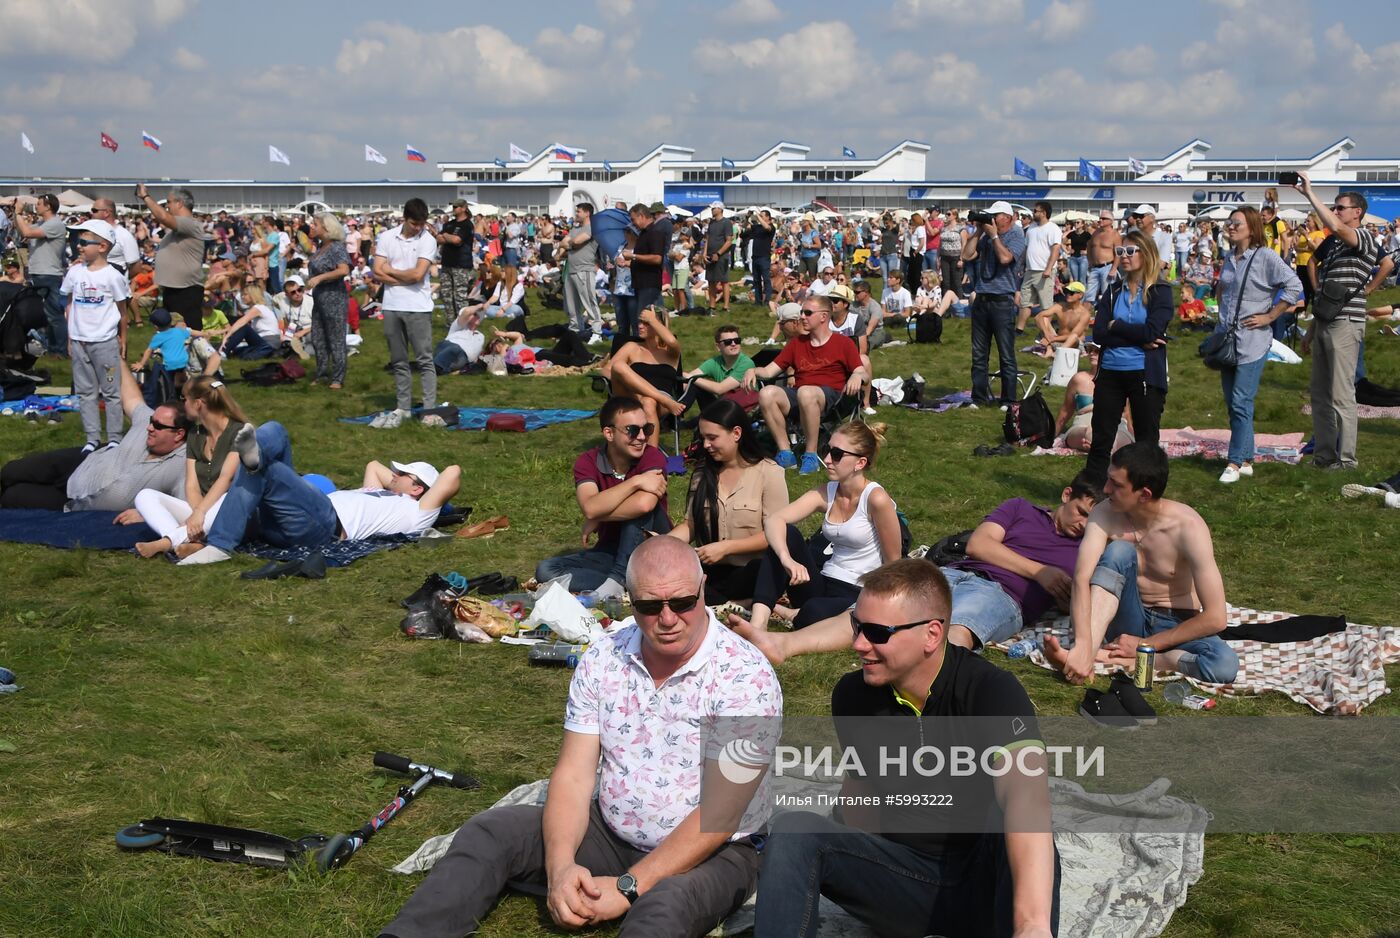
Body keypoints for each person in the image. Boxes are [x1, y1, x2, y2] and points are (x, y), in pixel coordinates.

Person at [380, 537, 780, 938]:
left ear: (703, 588)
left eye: (681, 602)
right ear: (630, 600)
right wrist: (561, 869)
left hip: (715, 851)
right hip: (609, 832)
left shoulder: (745, 676)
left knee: (665, 907)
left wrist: (628, 887)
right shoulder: (605, 658)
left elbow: (722, 814)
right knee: (491, 832)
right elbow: (574, 775)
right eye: (648, 606)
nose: (668, 618)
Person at [752, 557, 1060, 938]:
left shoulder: (990, 691)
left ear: (932, 634)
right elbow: (861, 791)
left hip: (987, 887)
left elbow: (1027, 798)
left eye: (878, 632)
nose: (858, 644)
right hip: (908, 882)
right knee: (794, 830)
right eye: (856, 626)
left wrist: (1031, 925)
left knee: (1016, 820)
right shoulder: (852, 696)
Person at [1045, 442, 1238, 686]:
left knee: (1224, 664)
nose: (1105, 490)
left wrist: (1146, 645)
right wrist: (1083, 643)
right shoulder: (1104, 513)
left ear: (1144, 494)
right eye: (1108, 480)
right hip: (1125, 618)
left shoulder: (1187, 526)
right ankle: (1087, 655)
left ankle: (1148, 660)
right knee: (1119, 551)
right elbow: (1082, 578)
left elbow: (1216, 617)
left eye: (1116, 485)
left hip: (1175, 622)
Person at [180, 423, 461, 565]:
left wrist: (410, 491)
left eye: (403, 474)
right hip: (301, 514)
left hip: (324, 524)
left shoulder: (416, 513)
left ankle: (219, 544)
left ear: (418, 489)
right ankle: (254, 454)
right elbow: (373, 466)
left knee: (269, 470)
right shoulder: (384, 494)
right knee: (276, 432)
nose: (394, 475)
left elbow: (453, 472)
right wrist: (398, 485)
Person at [745, 421, 899, 633]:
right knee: (786, 534)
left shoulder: (876, 499)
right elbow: (774, 520)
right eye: (827, 450)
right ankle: (758, 624)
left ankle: (791, 613)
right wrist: (786, 559)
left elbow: (894, 565)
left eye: (836, 454)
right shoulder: (827, 491)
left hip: (858, 591)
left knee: (813, 612)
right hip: (823, 581)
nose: (826, 459)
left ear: (860, 462)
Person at [534, 396, 672, 600]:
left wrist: (600, 515)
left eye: (647, 429)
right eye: (633, 430)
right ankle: (624, 581)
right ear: (609, 433)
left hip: (653, 549)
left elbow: (644, 505)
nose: (642, 437)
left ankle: (617, 580)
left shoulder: (652, 456)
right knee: (546, 570)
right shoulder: (588, 461)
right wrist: (636, 482)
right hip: (611, 551)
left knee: (638, 510)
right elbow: (590, 507)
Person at [0, 363, 187, 511]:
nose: (150, 427)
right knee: (11, 471)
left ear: (179, 434)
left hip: (75, 500)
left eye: (158, 425)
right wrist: (116, 357)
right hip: (82, 461)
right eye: (151, 421)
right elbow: (131, 397)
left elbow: (184, 507)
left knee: (12, 497)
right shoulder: (144, 425)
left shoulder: (180, 465)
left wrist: (144, 514)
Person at [667, 399, 788, 605]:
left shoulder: (769, 473)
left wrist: (727, 548)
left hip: (750, 568)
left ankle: (730, 602)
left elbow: (777, 534)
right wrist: (663, 545)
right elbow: (691, 525)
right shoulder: (702, 474)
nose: (706, 445)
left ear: (737, 433)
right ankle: (740, 603)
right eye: (703, 438)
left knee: (763, 571)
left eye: (712, 438)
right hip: (711, 571)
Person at [1294, 174, 1378, 470]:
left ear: (1357, 212)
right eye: (1336, 206)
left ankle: (1347, 459)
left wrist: (1309, 194)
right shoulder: (1334, 249)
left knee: (1342, 394)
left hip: (1346, 324)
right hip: (1327, 323)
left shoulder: (1364, 238)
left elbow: (1334, 225)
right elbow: (1325, 297)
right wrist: (1311, 330)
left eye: (1341, 207)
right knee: (1320, 394)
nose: (1336, 210)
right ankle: (1325, 455)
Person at [1214, 206, 1303, 484]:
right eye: (1229, 222)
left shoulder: (1265, 256)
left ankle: (1234, 462)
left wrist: (1271, 315)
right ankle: (1248, 457)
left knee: (1241, 400)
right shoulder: (1230, 257)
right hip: (1228, 338)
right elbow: (1224, 288)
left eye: (1236, 223)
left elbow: (1293, 285)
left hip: (1253, 341)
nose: (1230, 226)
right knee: (1233, 403)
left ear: (1251, 229)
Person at [1083, 230, 1172, 486]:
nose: (1124, 256)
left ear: (1146, 254)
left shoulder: (1160, 290)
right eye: (1120, 251)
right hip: (1110, 371)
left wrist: (1116, 326)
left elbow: (1153, 331)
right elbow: (1099, 332)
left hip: (1144, 373)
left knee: (1146, 441)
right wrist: (1134, 336)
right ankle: (1092, 494)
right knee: (1102, 438)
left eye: (1130, 251)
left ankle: (1145, 494)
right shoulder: (1112, 291)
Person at [743, 295, 865, 473]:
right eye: (801, 312)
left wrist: (856, 375)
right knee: (767, 393)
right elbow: (769, 371)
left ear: (823, 316)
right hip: (801, 396)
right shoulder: (796, 344)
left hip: (831, 399)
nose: (802, 317)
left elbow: (862, 371)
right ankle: (785, 453)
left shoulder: (843, 342)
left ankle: (810, 454)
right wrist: (753, 370)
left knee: (806, 392)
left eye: (808, 313)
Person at [132, 376, 248, 559]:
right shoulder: (196, 433)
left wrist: (200, 513)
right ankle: (192, 543)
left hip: (232, 510)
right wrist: (196, 514)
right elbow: (191, 484)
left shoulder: (240, 431)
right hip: (201, 510)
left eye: (184, 399)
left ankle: (167, 542)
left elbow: (226, 479)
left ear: (198, 404)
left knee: (227, 497)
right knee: (145, 495)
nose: (182, 404)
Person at [61, 219, 130, 452]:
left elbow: (123, 312)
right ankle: (92, 438)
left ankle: (114, 437)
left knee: (111, 392)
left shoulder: (113, 276)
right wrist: (71, 337)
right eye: (77, 241)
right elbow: (69, 304)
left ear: (102, 246)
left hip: (105, 343)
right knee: (85, 392)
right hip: (80, 342)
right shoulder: (74, 272)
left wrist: (123, 340)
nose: (78, 246)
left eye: (83, 242)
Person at [372, 198, 441, 429]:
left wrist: (390, 271)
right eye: (414, 223)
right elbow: (376, 272)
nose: (419, 228)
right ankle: (403, 407)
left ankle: (430, 409)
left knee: (424, 359)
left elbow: (417, 276)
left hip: (418, 307)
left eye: (422, 223)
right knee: (398, 360)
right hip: (391, 306)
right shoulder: (386, 237)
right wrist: (401, 276)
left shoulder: (428, 240)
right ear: (404, 218)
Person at [960, 201, 1027, 408]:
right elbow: (966, 255)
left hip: (1002, 301)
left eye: (994, 216)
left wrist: (994, 236)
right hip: (981, 299)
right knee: (979, 354)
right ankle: (978, 397)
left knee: (1006, 354)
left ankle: (1008, 399)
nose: (991, 220)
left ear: (1006, 217)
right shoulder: (985, 236)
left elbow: (1006, 258)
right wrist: (979, 230)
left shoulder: (1016, 235)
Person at [602, 306, 683, 446]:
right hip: (631, 396)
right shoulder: (632, 347)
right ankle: (662, 399)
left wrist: (653, 319)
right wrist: (622, 378)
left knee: (649, 401)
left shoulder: (670, 352)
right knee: (619, 366)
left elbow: (672, 341)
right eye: (639, 322)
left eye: (646, 323)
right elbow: (607, 369)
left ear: (659, 325)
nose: (640, 326)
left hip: (658, 404)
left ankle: (651, 459)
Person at [136, 184, 207, 331]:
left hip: (186, 290)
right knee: (173, 332)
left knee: (189, 332)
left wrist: (145, 196)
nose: (166, 206)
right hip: (174, 289)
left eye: (169, 202)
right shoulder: (178, 229)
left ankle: (197, 354)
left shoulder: (191, 224)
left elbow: (162, 217)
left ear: (180, 203)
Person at [11, 193, 68, 354]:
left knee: (53, 315)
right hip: (40, 273)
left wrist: (18, 213)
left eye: (39, 204)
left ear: (48, 206)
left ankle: (60, 350)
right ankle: (52, 348)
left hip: (48, 274)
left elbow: (28, 233)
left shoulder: (54, 224)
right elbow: (23, 231)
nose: (36, 206)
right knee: (46, 314)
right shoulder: (43, 223)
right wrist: (16, 214)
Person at [304, 212, 351, 388]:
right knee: (318, 337)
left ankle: (338, 377)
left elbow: (343, 270)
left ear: (326, 228)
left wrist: (320, 278)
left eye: (315, 224)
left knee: (336, 338)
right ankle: (322, 373)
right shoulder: (320, 247)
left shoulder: (336, 247)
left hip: (334, 297)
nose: (312, 227)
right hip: (319, 297)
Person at [681, 324, 755, 409]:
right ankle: (675, 413)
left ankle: (674, 415)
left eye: (737, 340)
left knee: (694, 380)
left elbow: (720, 389)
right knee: (694, 384)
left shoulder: (747, 364)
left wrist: (689, 377)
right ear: (718, 346)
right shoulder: (715, 362)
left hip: (741, 412)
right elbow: (686, 381)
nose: (734, 344)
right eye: (728, 342)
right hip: (723, 409)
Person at [1016, 201, 1063, 332]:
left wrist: (1048, 268)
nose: (1033, 213)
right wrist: (1021, 265)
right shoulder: (1031, 228)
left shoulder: (1053, 228)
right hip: (1029, 271)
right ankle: (1019, 330)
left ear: (1044, 213)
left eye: (1036, 211)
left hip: (1044, 271)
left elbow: (1055, 250)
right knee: (1025, 302)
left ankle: (1048, 332)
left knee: (1046, 305)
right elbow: (1027, 248)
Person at [561, 202, 604, 340]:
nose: (576, 214)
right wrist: (569, 243)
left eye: (579, 211)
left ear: (587, 213)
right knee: (571, 304)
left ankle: (597, 331)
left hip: (584, 270)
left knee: (589, 301)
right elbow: (563, 243)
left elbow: (578, 241)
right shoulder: (575, 229)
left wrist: (569, 243)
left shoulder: (593, 228)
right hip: (571, 270)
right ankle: (575, 330)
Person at [131, 307, 191, 391]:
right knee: (181, 379)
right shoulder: (178, 331)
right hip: (183, 361)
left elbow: (149, 350)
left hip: (169, 365)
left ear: (155, 326)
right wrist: (205, 334)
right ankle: (185, 388)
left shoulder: (158, 337)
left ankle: (171, 393)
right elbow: (192, 333)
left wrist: (141, 364)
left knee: (169, 383)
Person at [220, 284, 281, 360]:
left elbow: (242, 322)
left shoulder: (258, 308)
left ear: (253, 295)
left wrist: (227, 336)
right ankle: (226, 352)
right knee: (237, 352)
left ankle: (223, 353)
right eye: (242, 295)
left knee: (244, 327)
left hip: (269, 342)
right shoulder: (261, 308)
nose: (242, 297)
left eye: (245, 295)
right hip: (265, 342)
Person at [1032, 281, 1091, 357]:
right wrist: (1047, 334)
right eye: (1066, 292)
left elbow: (1074, 334)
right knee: (1044, 318)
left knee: (1074, 337)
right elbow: (1038, 316)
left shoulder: (1084, 314)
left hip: (1073, 344)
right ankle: (1051, 350)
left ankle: (1055, 354)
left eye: (1071, 293)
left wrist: (1052, 339)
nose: (1068, 295)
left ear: (1080, 295)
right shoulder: (1060, 306)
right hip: (1057, 339)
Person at [701, 202, 735, 312]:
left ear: (720, 209)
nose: (712, 210)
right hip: (710, 255)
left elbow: (729, 241)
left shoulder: (726, 223)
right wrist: (704, 253)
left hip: (722, 256)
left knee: (724, 281)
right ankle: (712, 305)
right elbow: (708, 239)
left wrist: (718, 253)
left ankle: (726, 306)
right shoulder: (711, 223)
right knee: (711, 281)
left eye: (714, 208)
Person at [1083, 209, 1120, 305]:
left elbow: (1118, 254)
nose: (1100, 220)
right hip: (1095, 267)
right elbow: (1090, 246)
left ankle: (1106, 316)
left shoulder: (1115, 234)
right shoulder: (1096, 233)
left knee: (1106, 294)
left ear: (1111, 221)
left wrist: (1113, 269)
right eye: (1100, 218)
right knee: (1089, 295)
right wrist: (1090, 261)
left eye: (1104, 218)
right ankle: (1088, 315)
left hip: (1107, 267)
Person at [432, 308, 485, 375]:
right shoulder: (459, 326)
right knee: (455, 348)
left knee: (457, 356)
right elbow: (467, 311)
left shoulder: (481, 336)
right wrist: (480, 306)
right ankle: (433, 368)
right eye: (474, 314)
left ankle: (435, 368)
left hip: (463, 358)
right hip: (448, 347)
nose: (478, 317)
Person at [271, 275, 313, 357]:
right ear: (287, 295)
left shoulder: (311, 302)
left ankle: (300, 350)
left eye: (299, 290)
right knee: (282, 342)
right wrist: (283, 334)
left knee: (311, 340)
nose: (297, 294)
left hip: (310, 329)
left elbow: (320, 324)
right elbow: (283, 321)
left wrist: (302, 332)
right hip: (293, 328)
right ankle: (295, 349)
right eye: (293, 292)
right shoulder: (282, 302)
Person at [747, 210, 775, 306]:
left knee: (766, 279)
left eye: (762, 216)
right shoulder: (758, 227)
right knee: (756, 280)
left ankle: (768, 300)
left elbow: (767, 227)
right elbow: (747, 226)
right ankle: (758, 301)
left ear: (768, 217)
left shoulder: (772, 227)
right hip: (755, 256)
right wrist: (747, 217)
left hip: (764, 256)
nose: (760, 217)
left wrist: (758, 216)